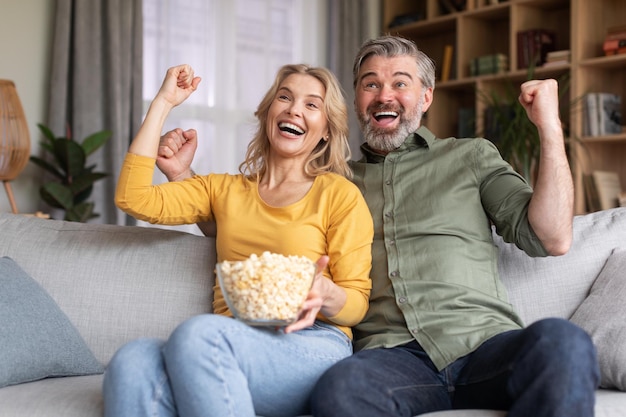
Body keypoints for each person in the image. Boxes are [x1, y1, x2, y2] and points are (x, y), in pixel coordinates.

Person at [156, 36, 600, 417]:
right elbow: (246, 216)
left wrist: (548, 126)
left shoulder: (470, 156)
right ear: (356, 102)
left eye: (400, 84)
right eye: (371, 84)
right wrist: (182, 178)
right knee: (340, 390)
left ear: (425, 98)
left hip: (483, 345)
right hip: (389, 359)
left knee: (563, 344)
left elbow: (552, 236)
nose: (384, 95)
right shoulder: (329, 183)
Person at [103, 63, 373, 417]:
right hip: (232, 340)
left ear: (326, 131)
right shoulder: (224, 190)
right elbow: (133, 199)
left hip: (313, 341)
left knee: (199, 335)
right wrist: (164, 102)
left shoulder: (339, 195)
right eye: (285, 97)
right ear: (267, 114)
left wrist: (326, 292)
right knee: (131, 360)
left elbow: (356, 305)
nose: (294, 109)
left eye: (312, 105)